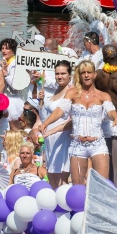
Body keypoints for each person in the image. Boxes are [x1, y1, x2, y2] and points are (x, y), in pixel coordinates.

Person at [42, 60, 117, 185]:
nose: (86, 75)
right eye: (83, 72)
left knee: (102, 184)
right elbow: (60, 110)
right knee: (77, 186)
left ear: (94, 74)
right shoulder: (72, 93)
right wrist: (45, 124)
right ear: (79, 75)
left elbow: (111, 110)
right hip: (78, 145)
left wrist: (116, 118)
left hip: (97, 143)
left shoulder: (103, 95)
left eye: (89, 72)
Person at [94, 45, 117, 184]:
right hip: (116, 124)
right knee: (115, 166)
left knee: (101, 164)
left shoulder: (97, 74)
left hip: (100, 122)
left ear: (103, 58)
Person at [38, 60, 72, 188]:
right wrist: (41, 102)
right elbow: (44, 118)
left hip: (63, 137)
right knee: (51, 175)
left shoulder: (71, 91)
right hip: (49, 138)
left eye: (63, 73)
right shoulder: (55, 90)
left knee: (60, 177)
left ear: (70, 75)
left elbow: (71, 119)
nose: (60, 76)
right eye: (57, 73)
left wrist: (54, 130)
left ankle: (63, 206)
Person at [0, 37, 24, 126]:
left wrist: (6, 74)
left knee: (14, 128)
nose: (4, 51)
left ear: (13, 50)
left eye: (7, 48)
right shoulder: (3, 62)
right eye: (2, 48)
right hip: (4, 98)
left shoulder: (16, 63)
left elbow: (16, 85)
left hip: (14, 100)